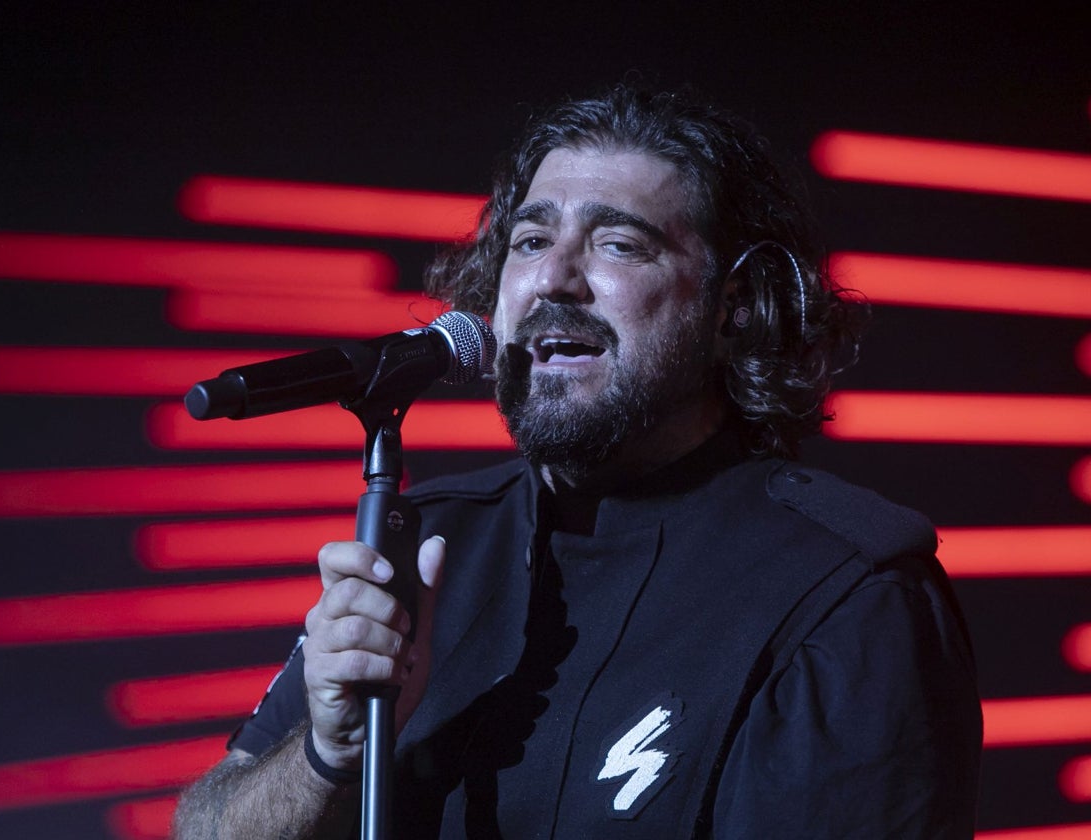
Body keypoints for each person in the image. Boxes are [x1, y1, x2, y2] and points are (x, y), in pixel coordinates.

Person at [173, 84, 982, 839]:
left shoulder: (842, 596)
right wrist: (326, 757)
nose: (553, 279)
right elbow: (203, 825)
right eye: (530, 240)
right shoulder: (430, 547)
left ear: (733, 309)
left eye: (619, 244)